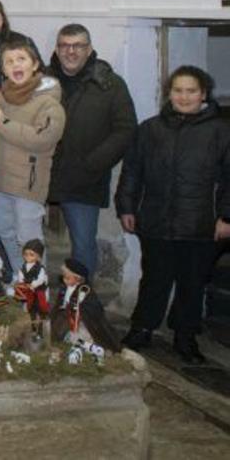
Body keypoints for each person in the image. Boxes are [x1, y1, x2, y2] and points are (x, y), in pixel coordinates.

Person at [117, 66, 230, 364]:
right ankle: (141, 329)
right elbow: (132, 172)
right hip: (156, 220)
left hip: (201, 223)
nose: (184, 96)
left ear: (203, 94)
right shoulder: (150, 129)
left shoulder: (221, 131)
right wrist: (126, 207)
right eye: (178, 90)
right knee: (154, 278)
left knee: (192, 283)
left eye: (191, 91)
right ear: (169, 93)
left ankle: (185, 336)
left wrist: (227, 217)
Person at [46, 24, 137, 278]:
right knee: (28, 241)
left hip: (84, 178)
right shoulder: (42, 81)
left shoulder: (110, 83)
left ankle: (82, 309)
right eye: (65, 45)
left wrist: (94, 163)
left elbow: (125, 129)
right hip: (40, 175)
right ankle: (36, 303)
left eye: (78, 46)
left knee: (84, 247)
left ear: (90, 49)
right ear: (57, 48)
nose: (71, 51)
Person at [0, 38, 66, 276]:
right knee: (6, 233)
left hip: (28, 183)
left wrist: (2, 123)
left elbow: (42, 139)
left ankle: (38, 290)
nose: (16, 65)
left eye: (21, 59)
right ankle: (20, 280)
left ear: (35, 64)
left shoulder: (49, 103)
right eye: (9, 61)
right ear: (3, 69)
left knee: (29, 240)